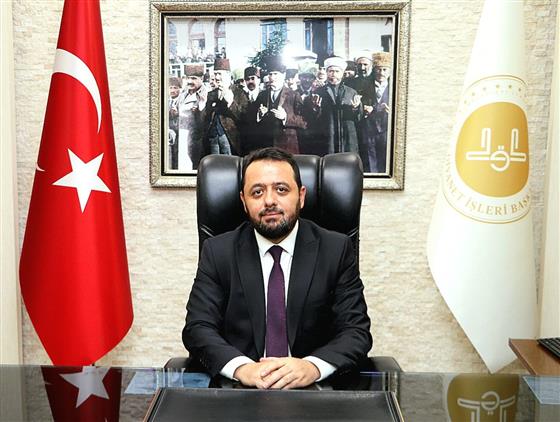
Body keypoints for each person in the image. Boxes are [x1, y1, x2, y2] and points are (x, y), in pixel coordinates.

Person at [183, 147, 372, 389]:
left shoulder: (336, 250)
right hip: (239, 392)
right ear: (243, 201)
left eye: (281, 189)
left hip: (314, 392)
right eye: (257, 192)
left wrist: (312, 367)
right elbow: (198, 328)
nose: (270, 201)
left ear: (301, 196)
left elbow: (355, 331)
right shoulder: (218, 252)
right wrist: (242, 368)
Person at [308, 56, 362, 154]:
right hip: (327, 135)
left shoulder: (351, 92)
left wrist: (355, 108)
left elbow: (358, 117)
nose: (334, 74)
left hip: (347, 135)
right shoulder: (319, 92)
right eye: (331, 71)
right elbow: (312, 118)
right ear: (327, 73)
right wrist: (315, 108)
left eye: (337, 71)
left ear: (342, 73)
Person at [254, 56, 306, 154]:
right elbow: (252, 120)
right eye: (270, 74)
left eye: (275, 74)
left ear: (283, 75)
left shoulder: (293, 95)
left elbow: (304, 121)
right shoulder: (262, 95)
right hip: (266, 145)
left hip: (287, 145)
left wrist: (285, 117)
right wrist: (259, 115)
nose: (272, 77)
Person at [203, 58, 248, 156]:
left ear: (228, 75)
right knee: (214, 163)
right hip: (213, 138)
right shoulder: (211, 94)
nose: (217, 77)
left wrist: (231, 103)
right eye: (215, 74)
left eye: (220, 74)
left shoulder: (239, 93)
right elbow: (206, 117)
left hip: (231, 139)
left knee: (229, 163)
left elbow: (244, 117)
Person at [360, 52, 392, 173]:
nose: (381, 73)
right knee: (370, 160)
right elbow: (358, 104)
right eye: (378, 69)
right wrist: (364, 109)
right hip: (369, 130)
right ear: (374, 70)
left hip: (386, 130)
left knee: (386, 161)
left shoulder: (395, 88)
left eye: (384, 69)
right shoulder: (365, 87)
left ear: (389, 72)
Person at [176, 64, 207, 170]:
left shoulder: (205, 94)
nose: (190, 81)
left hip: (195, 139)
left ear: (201, 78)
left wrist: (199, 111)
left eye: (193, 78)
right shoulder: (183, 94)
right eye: (188, 78)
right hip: (181, 136)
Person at [168, 76, 182, 170]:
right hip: (169, 134)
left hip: (180, 134)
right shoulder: (167, 101)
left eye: (175, 88)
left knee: (178, 157)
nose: (172, 90)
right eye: (170, 87)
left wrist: (178, 114)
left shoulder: (183, 101)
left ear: (180, 89)